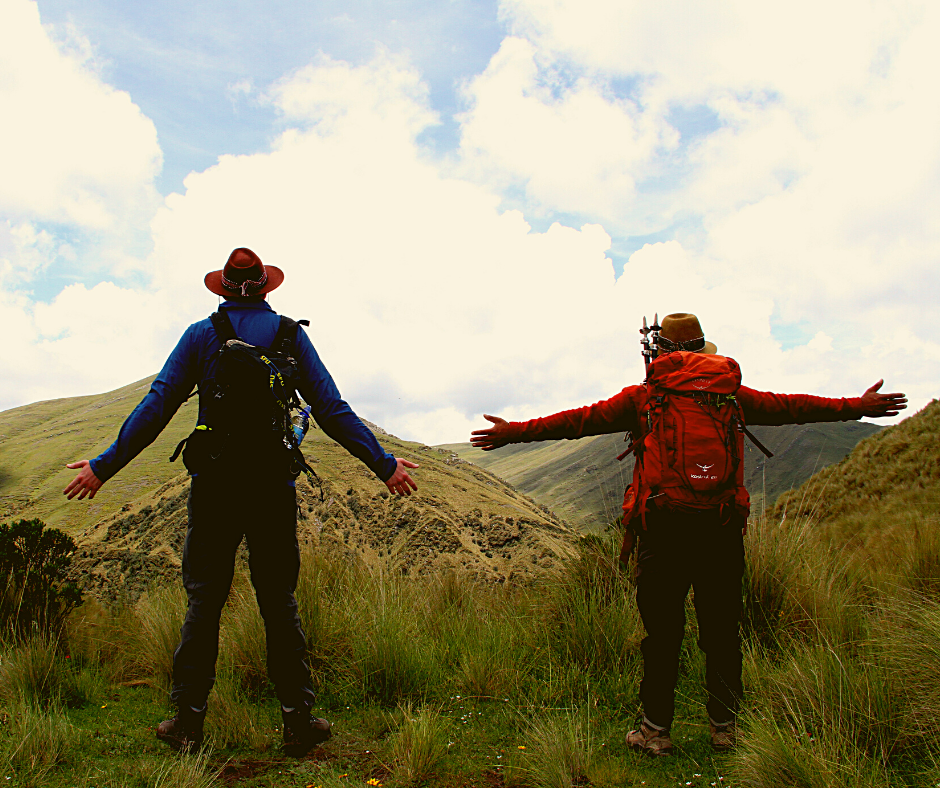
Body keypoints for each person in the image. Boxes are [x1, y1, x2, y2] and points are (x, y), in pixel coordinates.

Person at [470, 312, 906, 757]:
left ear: (662, 352)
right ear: (701, 351)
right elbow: (793, 406)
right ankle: (725, 728)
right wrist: (857, 405)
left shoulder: (645, 397)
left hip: (663, 528)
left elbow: (577, 421)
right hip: (720, 526)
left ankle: (655, 731)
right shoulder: (731, 396)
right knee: (721, 629)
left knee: (662, 633)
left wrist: (512, 434)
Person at [64, 248, 418, 754]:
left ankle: (187, 724)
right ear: (267, 288)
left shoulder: (201, 336)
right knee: (279, 602)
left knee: (204, 602)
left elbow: (159, 403)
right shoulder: (292, 337)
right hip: (273, 487)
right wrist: (384, 465)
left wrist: (104, 466)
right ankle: (298, 722)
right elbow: (332, 408)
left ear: (223, 288)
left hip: (214, 487)